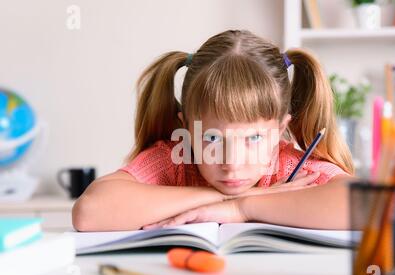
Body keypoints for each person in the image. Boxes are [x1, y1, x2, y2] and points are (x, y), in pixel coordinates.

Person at [72, 29, 355, 232]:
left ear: (281, 129)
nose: (231, 163)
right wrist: (226, 196)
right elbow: (89, 213)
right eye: (212, 138)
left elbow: (372, 205)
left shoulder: (289, 167)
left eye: (254, 138)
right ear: (187, 129)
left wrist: (241, 209)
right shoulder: (174, 162)